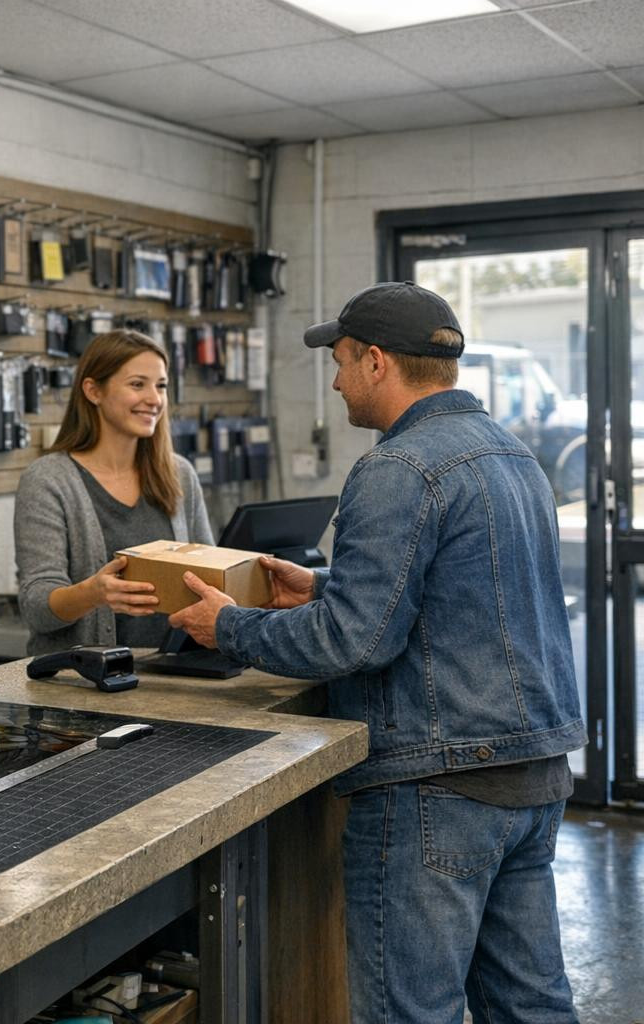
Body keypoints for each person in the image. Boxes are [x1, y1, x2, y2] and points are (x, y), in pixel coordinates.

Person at [170, 282, 584, 1024]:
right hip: (533, 776)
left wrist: (228, 626)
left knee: (408, 1014)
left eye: (339, 362)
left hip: (438, 787)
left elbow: (352, 641)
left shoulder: (398, 468)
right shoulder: (513, 455)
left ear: (377, 361)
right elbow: (469, 587)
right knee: (530, 1009)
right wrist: (327, 582)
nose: (334, 382)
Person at [14, 330, 213, 656]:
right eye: (137, 384)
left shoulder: (179, 474)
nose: (155, 399)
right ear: (93, 390)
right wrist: (94, 593)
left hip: (176, 677)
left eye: (161, 386)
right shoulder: (49, 480)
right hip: (82, 683)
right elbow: (36, 608)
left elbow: (208, 575)